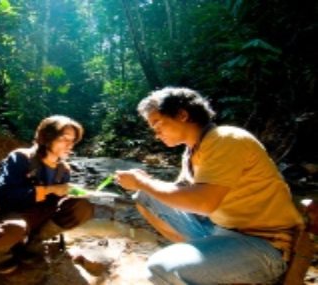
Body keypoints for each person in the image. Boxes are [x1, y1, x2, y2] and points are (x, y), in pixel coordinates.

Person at [115, 87, 304, 284]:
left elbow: (204, 203)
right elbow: (181, 193)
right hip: (222, 231)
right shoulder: (192, 151)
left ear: (182, 115)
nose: (156, 133)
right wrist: (144, 184)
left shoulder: (226, 139)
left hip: (265, 244)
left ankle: (223, 268)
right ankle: (209, 262)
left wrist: (144, 182)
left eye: (157, 124)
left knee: (160, 269)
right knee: (146, 197)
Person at [0, 115, 94, 274]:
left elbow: (59, 201)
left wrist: (73, 194)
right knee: (14, 227)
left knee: (82, 207)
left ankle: (34, 243)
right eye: (64, 138)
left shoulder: (64, 169)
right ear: (46, 138)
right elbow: (2, 196)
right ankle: (1, 251)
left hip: (40, 215)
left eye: (73, 140)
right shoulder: (21, 158)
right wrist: (49, 190)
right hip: (11, 214)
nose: (70, 145)